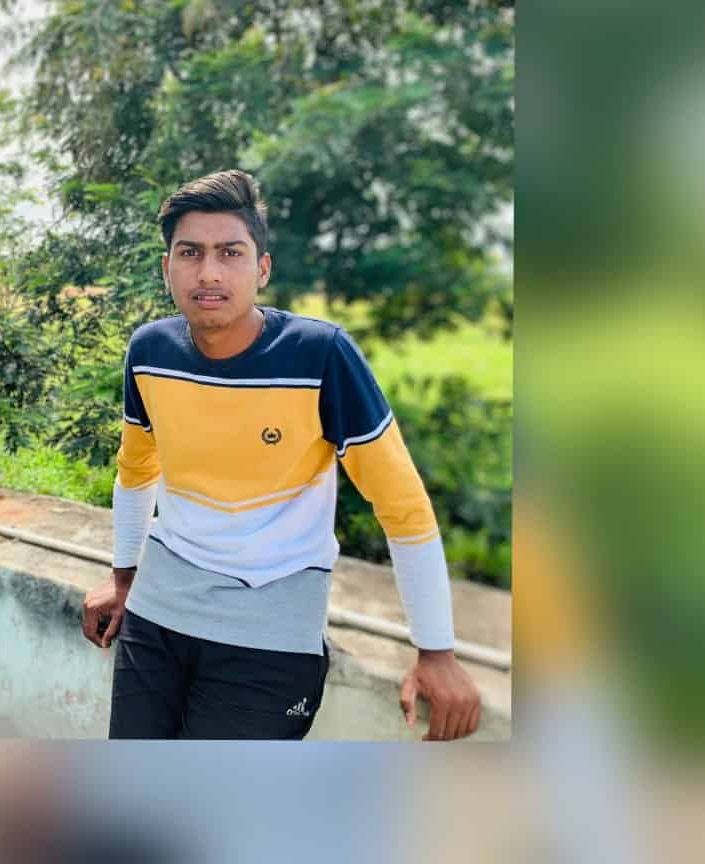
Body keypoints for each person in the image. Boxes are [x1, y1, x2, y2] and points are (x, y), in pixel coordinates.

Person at [81, 169, 481, 740]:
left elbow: (402, 506)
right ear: (167, 267)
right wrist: (124, 578)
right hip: (157, 611)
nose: (209, 272)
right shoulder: (151, 351)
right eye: (190, 253)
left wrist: (436, 649)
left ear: (262, 268)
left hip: (271, 628)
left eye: (230, 253)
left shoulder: (320, 356)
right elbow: (136, 468)